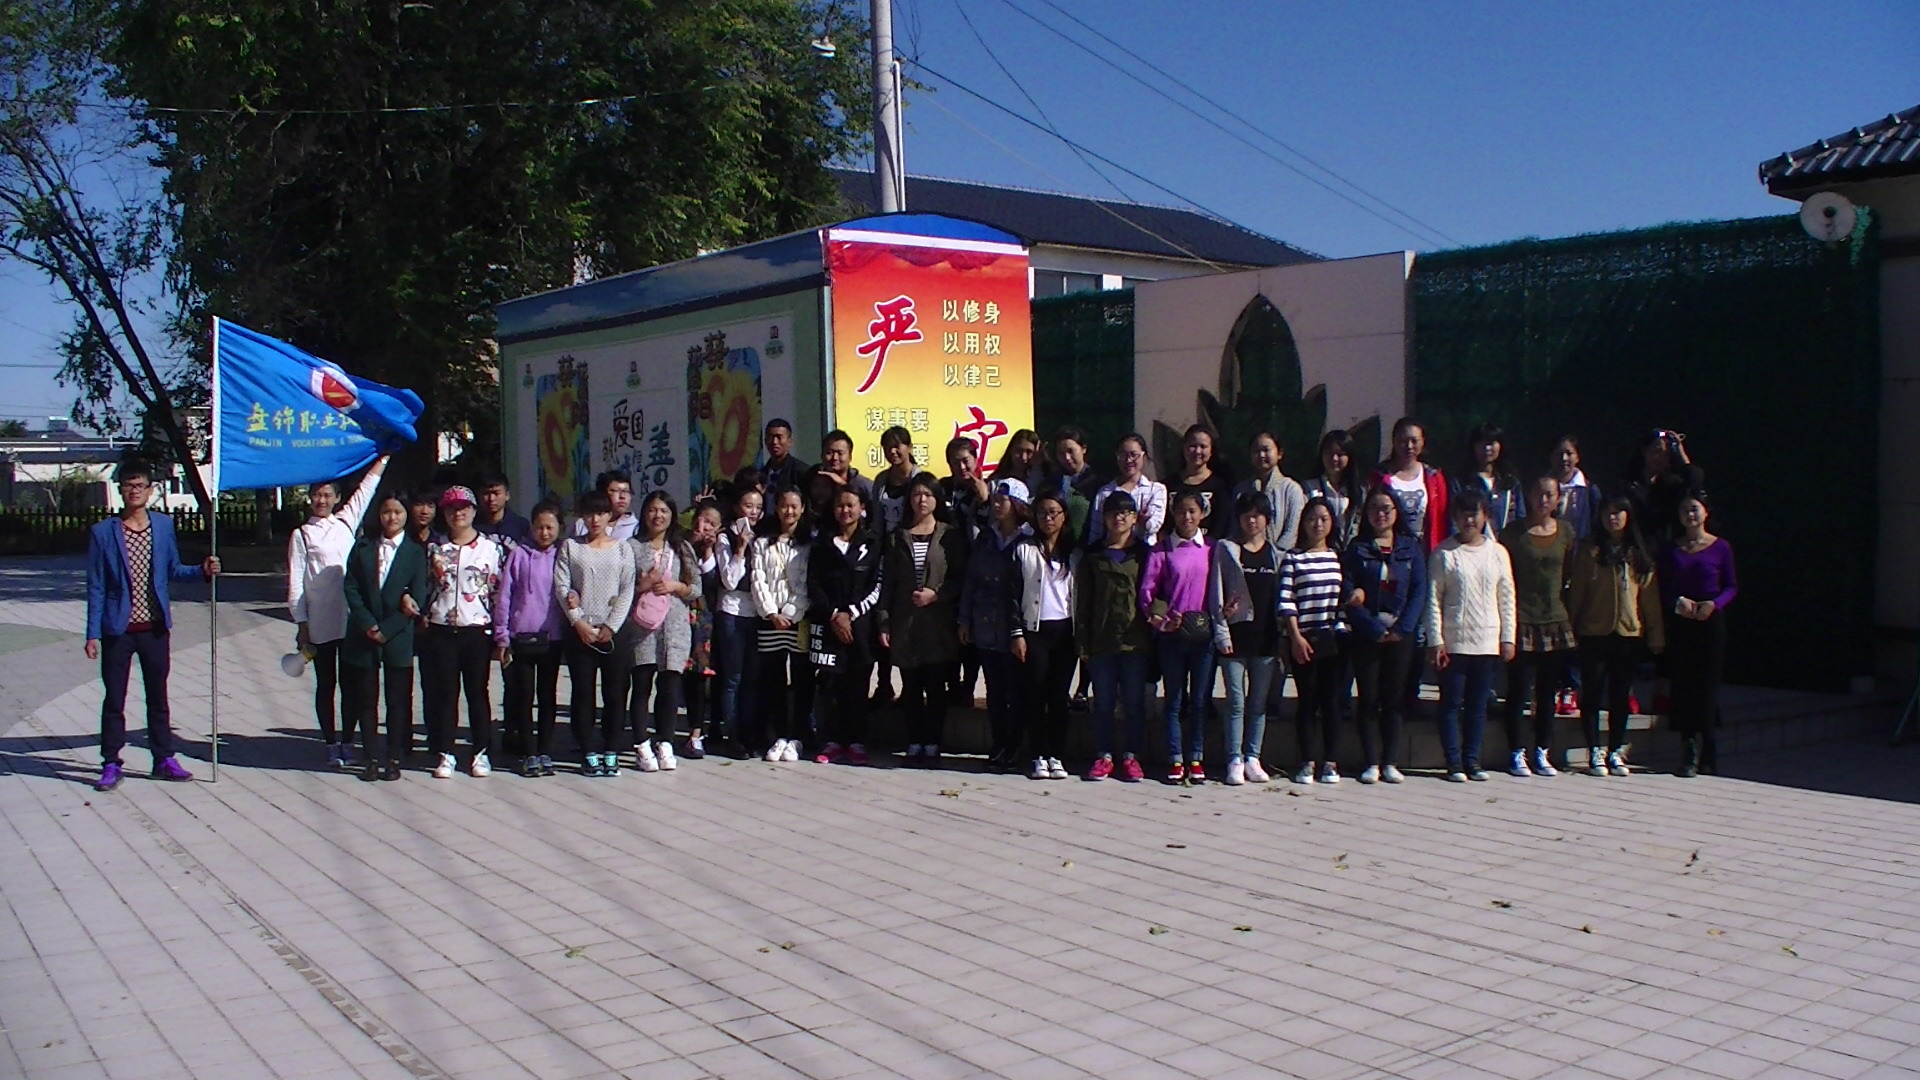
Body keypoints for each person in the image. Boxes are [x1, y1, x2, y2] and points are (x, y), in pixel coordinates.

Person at [84, 460, 221, 791]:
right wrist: (92, 633)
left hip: (155, 628)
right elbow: (96, 585)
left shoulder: (162, 526)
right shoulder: (103, 533)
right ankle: (111, 762)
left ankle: (163, 759)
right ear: (121, 490)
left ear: (150, 490)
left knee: (158, 697)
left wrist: (202, 570)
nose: (134, 491)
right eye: (128, 485)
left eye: (140, 485)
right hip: (118, 630)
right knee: (114, 699)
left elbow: (173, 569)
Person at [287, 455, 389, 768]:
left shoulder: (346, 522)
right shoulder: (302, 534)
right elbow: (296, 580)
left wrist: (383, 457)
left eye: (327, 495)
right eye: (317, 495)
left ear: (337, 498)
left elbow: (367, 489)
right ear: (309, 498)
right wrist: (301, 622)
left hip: (350, 618)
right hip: (320, 619)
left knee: (351, 684)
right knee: (326, 684)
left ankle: (347, 740)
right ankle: (330, 742)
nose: (322, 500)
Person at [1566, 495, 1664, 777]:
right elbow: (1578, 593)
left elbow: (1650, 599)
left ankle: (1615, 749)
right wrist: (1571, 629)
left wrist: (1656, 634)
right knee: (1592, 692)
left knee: (1620, 694)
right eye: (1608, 513)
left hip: (1627, 632)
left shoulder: (1638, 553)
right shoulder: (1590, 551)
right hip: (1594, 631)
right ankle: (1594, 749)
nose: (1613, 519)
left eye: (1618, 513)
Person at [1425, 490, 1517, 782]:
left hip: (1487, 642)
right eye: (1463, 515)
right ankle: (1453, 763)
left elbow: (1507, 597)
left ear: (1485, 516)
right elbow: (1433, 599)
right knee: (1451, 705)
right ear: (1455, 517)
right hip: (1454, 642)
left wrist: (1508, 637)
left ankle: (1472, 760)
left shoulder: (1498, 553)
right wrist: (1435, 640)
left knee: (1477, 707)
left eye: (1474, 514)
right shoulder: (1443, 553)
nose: (1469, 521)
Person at [878, 473, 967, 766]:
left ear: (937, 499)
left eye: (928, 494)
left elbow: (960, 579)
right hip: (906, 623)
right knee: (911, 686)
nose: (922, 500)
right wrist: (884, 620)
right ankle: (915, 740)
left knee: (936, 686)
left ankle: (933, 743)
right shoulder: (897, 537)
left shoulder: (950, 535)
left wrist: (936, 595)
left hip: (938, 623)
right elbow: (888, 583)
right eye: (916, 494)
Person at [1344, 487, 1428, 784]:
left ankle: (1390, 761)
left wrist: (1402, 629)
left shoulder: (1411, 547)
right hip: (1368, 634)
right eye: (1375, 509)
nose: (1381, 514)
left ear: (1396, 513)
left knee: (1394, 699)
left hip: (1400, 635)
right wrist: (1373, 628)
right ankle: (1371, 761)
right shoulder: (1357, 548)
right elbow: (1348, 591)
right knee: (1368, 697)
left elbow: (1419, 590)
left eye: (1386, 509)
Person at [342, 493, 427, 782]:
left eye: (398, 512)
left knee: (397, 700)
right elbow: (351, 587)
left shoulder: (415, 552)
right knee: (366, 700)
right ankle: (370, 758)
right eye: (386, 512)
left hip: (398, 635)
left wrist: (388, 629)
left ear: (406, 515)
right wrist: (368, 624)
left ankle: (393, 757)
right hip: (365, 633)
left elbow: (418, 597)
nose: (392, 517)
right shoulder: (363, 547)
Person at [422, 485, 505, 779]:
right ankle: (445, 753)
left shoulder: (491, 548)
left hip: (477, 630)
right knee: (446, 693)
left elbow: (498, 593)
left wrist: (501, 634)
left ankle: (481, 751)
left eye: (464, 508)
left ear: (473, 510)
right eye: (452, 509)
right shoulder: (435, 547)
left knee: (477, 693)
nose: (458, 514)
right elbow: (425, 587)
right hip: (442, 629)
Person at [1498, 477, 1576, 778]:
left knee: (1547, 691)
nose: (1543, 500)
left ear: (1557, 499)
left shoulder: (1566, 532)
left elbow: (1570, 573)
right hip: (1521, 619)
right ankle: (1516, 751)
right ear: (1528, 496)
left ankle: (1542, 749)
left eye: (1549, 495)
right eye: (1538, 493)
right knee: (1519, 690)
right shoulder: (1513, 533)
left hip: (1554, 619)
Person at [559, 491, 636, 777]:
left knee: (615, 693)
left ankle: (611, 750)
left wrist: (611, 627)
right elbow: (562, 586)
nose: (595, 519)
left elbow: (627, 589)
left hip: (614, 631)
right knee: (583, 693)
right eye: (589, 513)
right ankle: (588, 751)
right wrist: (578, 622)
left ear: (609, 516)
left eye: (601, 513)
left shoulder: (622, 549)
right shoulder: (571, 547)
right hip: (581, 631)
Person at [622, 491, 699, 773]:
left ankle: (665, 742)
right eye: (653, 510)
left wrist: (676, 587)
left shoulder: (681, 546)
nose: (658, 516)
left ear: (672, 515)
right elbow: (620, 588)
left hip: (674, 627)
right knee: (642, 685)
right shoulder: (631, 547)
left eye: (664, 510)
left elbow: (696, 587)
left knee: (670, 686)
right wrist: (643, 585)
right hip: (641, 627)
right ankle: (641, 743)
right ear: (644, 513)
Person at [1078, 491, 1152, 781]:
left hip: (1135, 640)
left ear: (1134, 518)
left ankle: (1132, 755)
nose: (1119, 518)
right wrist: (1083, 641)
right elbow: (1083, 601)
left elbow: (1156, 590)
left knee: (1134, 702)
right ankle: (1104, 755)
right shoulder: (1094, 555)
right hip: (1102, 639)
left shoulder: (1144, 554)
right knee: (1104, 702)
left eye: (1125, 513)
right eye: (1112, 513)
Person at [1660, 493, 1736, 777]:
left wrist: (1715, 604)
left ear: (1706, 512)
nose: (1689, 515)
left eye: (1694, 509)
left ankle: (1709, 746)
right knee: (1684, 684)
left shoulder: (1721, 547)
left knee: (1707, 685)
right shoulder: (1672, 549)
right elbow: (1663, 586)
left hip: (1710, 622)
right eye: (1684, 510)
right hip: (1683, 622)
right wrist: (1677, 602)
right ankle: (1688, 747)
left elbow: (1731, 586)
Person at [1143, 490, 1216, 782]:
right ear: (1173, 514)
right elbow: (1147, 593)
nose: (1187, 517)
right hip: (1172, 637)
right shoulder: (1161, 551)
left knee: (1199, 699)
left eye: (1192, 511)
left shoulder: (1211, 548)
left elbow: (1220, 587)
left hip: (1202, 635)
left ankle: (1196, 757)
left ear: (1202, 514)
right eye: (1181, 511)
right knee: (1173, 699)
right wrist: (1161, 622)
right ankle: (1175, 758)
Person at [959, 477, 1031, 771]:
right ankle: (999, 744)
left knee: (1017, 691)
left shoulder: (1029, 539)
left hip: (1016, 628)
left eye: (1003, 500)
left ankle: (1015, 746)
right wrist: (965, 618)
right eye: (995, 500)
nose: (997, 505)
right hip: (986, 625)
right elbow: (971, 580)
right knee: (995, 691)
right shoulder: (986, 538)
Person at [1208, 491, 1280, 785]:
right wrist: (1221, 630)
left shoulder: (1276, 553)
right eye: (1247, 515)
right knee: (1236, 701)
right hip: (1236, 637)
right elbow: (1216, 593)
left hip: (1266, 637)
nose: (1252, 521)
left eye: (1258, 515)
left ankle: (1253, 756)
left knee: (1258, 703)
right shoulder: (1227, 549)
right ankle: (1234, 758)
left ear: (1267, 519)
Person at [1279, 498, 1353, 784]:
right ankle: (1307, 761)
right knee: (1307, 701)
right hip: (1304, 638)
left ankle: (1331, 762)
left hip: (1333, 638)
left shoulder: (1338, 557)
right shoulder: (1293, 558)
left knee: (1331, 702)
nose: (1317, 524)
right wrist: (1295, 637)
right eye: (1312, 518)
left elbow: (1343, 599)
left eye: (1323, 518)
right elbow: (1286, 600)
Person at [808, 486, 882, 765]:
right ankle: (831, 741)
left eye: (851, 505)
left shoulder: (872, 543)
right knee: (829, 686)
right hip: (829, 625)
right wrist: (834, 614)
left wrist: (850, 614)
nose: (845, 510)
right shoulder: (822, 543)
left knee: (857, 685)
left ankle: (856, 742)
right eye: (840, 505)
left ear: (862, 508)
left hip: (860, 627)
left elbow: (877, 586)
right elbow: (813, 582)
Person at [493, 500, 565, 777]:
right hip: (521, 636)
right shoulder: (519, 554)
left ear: (559, 528)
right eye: (539, 527)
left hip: (552, 637)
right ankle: (528, 752)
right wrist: (502, 634)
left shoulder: (563, 555)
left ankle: (545, 751)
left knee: (547, 696)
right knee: (523, 695)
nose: (544, 533)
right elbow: (505, 596)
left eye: (550, 527)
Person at [1015, 491, 1078, 781]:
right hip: (1035, 630)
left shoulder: (1074, 553)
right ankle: (1038, 755)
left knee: (1059, 695)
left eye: (1054, 512)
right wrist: (1017, 634)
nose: (1048, 518)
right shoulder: (1024, 550)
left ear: (1064, 516)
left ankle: (1056, 755)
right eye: (1042, 513)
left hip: (1065, 631)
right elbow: (1012, 594)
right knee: (1036, 694)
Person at [751, 488, 813, 762]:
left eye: (794, 506)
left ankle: (798, 736)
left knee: (801, 679)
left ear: (802, 509)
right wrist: (771, 613)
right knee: (773, 678)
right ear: (776, 508)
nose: (789, 511)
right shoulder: (762, 543)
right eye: (784, 505)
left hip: (798, 620)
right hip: (770, 621)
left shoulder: (809, 543)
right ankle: (779, 735)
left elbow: (806, 583)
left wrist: (790, 612)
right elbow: (758, 579)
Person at [711, 486, 764, 759]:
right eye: (748, 505)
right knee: (733, 677)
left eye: (758, 507)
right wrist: (740, 548)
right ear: (736, 507)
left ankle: (749, 732)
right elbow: (729, 580)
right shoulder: (725, 537)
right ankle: (733, 735)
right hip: (732, 612)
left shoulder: (762, 537)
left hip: (756, 612)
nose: (753, 512)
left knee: (752, 678)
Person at [683, 501, 725, 759]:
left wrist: (708, 549)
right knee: (688, 678)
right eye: (702, 519)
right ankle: (691, 733)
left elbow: (712, 582)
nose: (705, 526)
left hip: (711, 621)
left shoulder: (722, 548)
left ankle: (710, 729)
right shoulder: (681, 544)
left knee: (710, 677)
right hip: (683, 618)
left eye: (711, 523)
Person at [1372, 417, 1449, 554]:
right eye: (1403, 441)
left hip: (1427, 550)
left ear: (1423, 441)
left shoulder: (1434, 476)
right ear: (1394, 441)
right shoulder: (1379, 476)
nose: (1409, 446)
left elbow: (1442, 515)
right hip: (1391, 550)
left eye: (1414, 441)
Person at [1622, 430, 1705, 545]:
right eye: (1657, 451)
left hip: (1668, 545)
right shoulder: (1628, 483)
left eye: (1666, 454)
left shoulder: (1672, 484)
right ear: (1644, 450)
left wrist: (1680, 451)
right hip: (1636, 545)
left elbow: (1694, 479)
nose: (1660, 457)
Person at [1086, 434, 1167, 547]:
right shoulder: (1105, 492)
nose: (1128, 460)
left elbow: (1155, 525)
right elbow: (1096, 530)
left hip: (1144, 552)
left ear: (1143, 456)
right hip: (1112, 552)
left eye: (1134, 455)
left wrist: (1144, 522)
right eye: (1123, 455)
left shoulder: (1156, 490)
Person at [1231, 431, 1306, 553]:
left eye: (1266, 450)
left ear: (1279, 453)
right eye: (1256, 451)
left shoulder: (1291, 489)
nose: (1261, 455)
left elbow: (1291, 532)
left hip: (1281, 558)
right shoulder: (1241, 489)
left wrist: (1273, 555)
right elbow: (1234, 528)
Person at [1452, 422, 1524, 537]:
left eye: (1491, 443)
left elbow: (1520, 518)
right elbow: (1453, 521)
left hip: (1505, 544)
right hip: (1472, 544)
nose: (1487, 448)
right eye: (1482, 443)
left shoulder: (1510, 482)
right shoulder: (1462, 482)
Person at [1303, 429, 1365, 548]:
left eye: (1340, 454)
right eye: (1329, 453)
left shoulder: (1359, 491)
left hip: (1350, 551)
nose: (1334, 458)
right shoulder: (1308, 488)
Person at [1171, 423, 1234, 541]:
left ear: (1211, 450)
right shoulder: (1169, 484)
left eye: (1203, 446)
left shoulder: (1221, 486)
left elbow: (1222, 524)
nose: (1197, 451)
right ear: (1184, 448)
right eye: (1192, 446)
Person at [573, 469, 638, 541]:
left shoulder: (636, 527)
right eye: (615, 491)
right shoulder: (582, 524)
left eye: (626, 491)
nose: (622, 496)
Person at [474, 472, 532, 549]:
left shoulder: (521, 525)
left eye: (496, 493)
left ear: (507, 495)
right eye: (486, 493)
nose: (491, 498)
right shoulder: (471, 526)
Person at [817, 429, 875, 505]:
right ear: (822, 455)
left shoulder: (863, 485)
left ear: (850, 457)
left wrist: (843, 485)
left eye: (840, 453)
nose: (835, 457)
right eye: (829, 452)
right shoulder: (812, 480)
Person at [761, 418, 810, 498]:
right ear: (765, 441)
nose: (774, 442)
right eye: (771, 437)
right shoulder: (761, 474)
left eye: (779, 437)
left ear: (790, 442)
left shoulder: (802, 473)